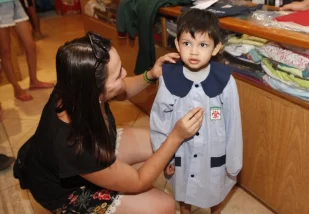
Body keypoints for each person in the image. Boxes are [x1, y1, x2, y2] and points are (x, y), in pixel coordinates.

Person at [13, 31, 204, 214]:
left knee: (157, 143)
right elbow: (138, 181)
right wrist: (176, 136)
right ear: (96, 93)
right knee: (163, 206)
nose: (125, 73)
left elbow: (120, 90)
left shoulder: (75, 84)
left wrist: (151, 74)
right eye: (118, 74)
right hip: (64, 190)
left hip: (86, 152)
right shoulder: (73, 143)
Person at [150, 9, 243, 214]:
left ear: (216, 47)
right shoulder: (168, 78)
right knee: (183, 191)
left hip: (214, 150)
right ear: (176, 44)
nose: (193, 52)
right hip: (181, 151)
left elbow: (233, 124)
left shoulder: (226, 81)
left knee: (216, 190)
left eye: (202, 45)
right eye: (186, 43)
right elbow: (159, 120)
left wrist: (233, 162)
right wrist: (164, 157)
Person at [0, 0, 53, 102]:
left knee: (30, 44)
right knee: (5, 51)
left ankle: (34, 81)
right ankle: (17, 89)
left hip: (15, 3)